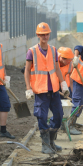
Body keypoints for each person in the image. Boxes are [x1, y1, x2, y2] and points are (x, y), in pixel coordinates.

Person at [24, 22, 69, 154]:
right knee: (42, 117)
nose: (45, 36)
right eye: (42, 34)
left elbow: (57, 68)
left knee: (59, 115)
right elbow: (27, 70)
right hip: (40, 91)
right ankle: (45, 144)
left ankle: (51, 141)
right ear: (38, 35)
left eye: (47, 34)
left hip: (54, 90)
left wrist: (63, 83)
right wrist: (28, 88)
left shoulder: (53, 50)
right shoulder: (31, 51)